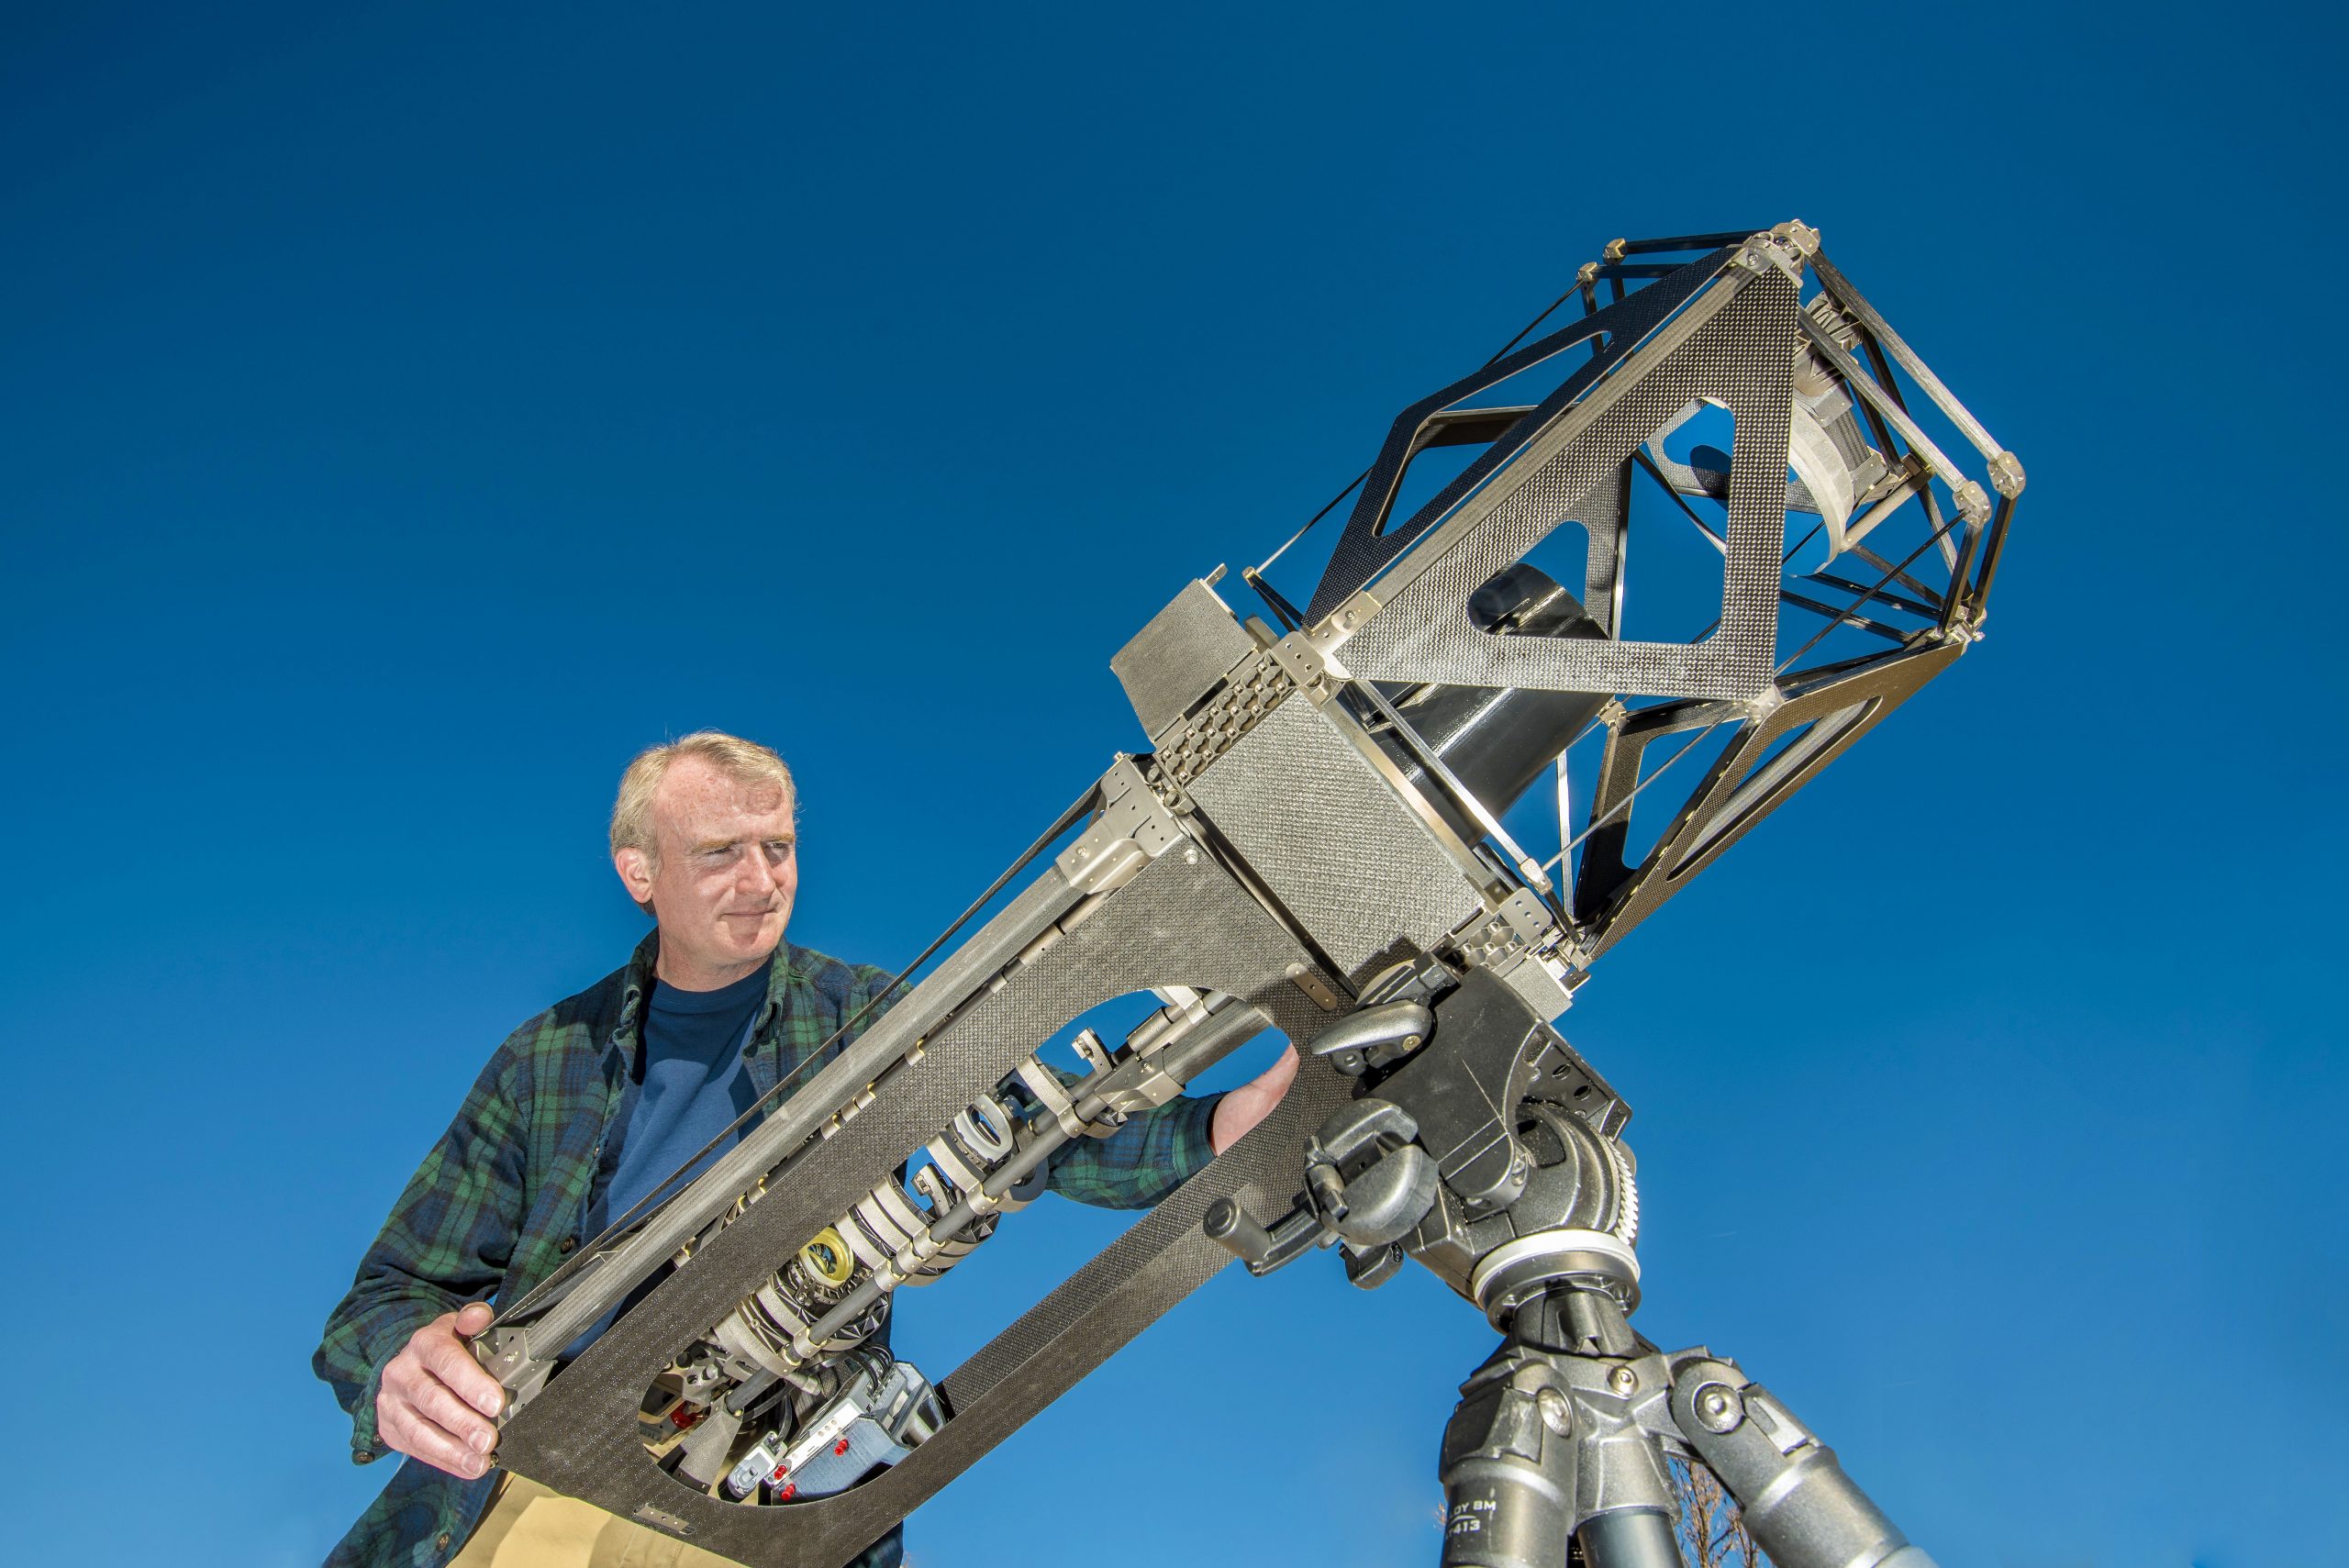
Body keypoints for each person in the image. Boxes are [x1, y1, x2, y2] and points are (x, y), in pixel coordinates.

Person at [315, 732, 1297, 1568]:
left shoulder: (861, 1013)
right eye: (719, 851)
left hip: (748, 1502)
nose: (761, 880)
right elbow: (387, 1297)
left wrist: (1223, 1125)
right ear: (639, 872)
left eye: (777, 846)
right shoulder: (545, 1059)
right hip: (538, 1486)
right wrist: (402, 1365)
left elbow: (1037, 1133)